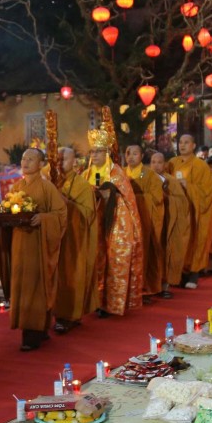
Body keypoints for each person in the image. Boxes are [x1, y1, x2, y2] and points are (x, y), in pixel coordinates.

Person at [7, 149, 67, 350]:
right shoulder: (17, 186)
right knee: (22, 285)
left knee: (35, 286)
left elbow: (60, 214)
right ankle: (38, 328)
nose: (25, 161)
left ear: (41, 164)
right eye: (24, 158)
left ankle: (32, 333)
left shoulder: (47, 187)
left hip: (38, 245)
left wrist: (43, 218)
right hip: (19, 244)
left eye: (31, 159)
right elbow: (8, 210)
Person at [82, 125, 143, 316]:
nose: (95, 155)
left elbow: (127, 199)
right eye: (92, 151)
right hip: (94, 225)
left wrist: (109, 196)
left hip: (115, 223)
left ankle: (112, 303)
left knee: (114, 261)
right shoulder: (86, 174)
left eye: (99, 151)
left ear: (107, 152)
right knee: (95, 262)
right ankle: (96, 302)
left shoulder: (116, 173)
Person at [54, 147, 97, 332]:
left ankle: (69, 315)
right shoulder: (50, 181)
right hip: (51, 237)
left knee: (70, 275)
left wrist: (67, 203)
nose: (61, 163)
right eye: (58, 159)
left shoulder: (82, 185)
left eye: (65, 159)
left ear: (75, 162)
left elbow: (88, 215)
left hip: (72, 239)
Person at [168, 134, 212, 288]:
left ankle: (193, 274)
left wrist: (188, 186)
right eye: (180, 142)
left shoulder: (201, 166)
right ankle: (179, 273)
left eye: (186, 142)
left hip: (194, 210)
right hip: (177, 210)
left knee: (195, 241)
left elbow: (208, 191)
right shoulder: (172, 163)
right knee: (178, 242)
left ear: (194, 145)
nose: (182, 145)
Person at [124, 144, 165, 301]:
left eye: (135, 153)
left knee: (143, 254)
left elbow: (157, 199)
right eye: (128, 153)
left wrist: (136, 199)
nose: (131, 156)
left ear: (141, 156)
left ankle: (142, 287)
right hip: (124, 223)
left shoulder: (148, 175)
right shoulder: (121, 173)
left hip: (144, 221)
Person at [151, 150, 189, 294]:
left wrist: (167, 199)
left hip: (167, 223)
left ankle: (165, 283)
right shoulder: (144, 176)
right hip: (150, 222)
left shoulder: (171, 181)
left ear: (165, 165)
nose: (156, 166)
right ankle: (149, 286)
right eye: (153, 162)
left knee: (166, 252)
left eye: (159, 162)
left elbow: (182, 202)